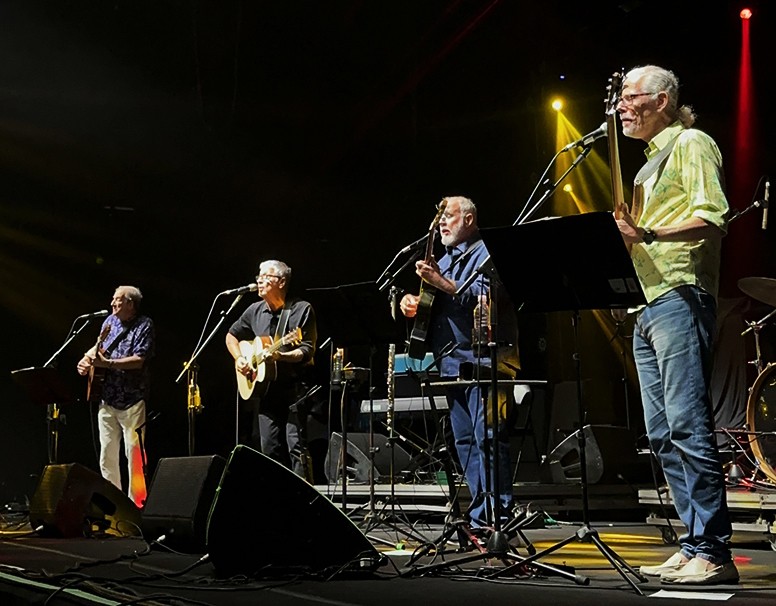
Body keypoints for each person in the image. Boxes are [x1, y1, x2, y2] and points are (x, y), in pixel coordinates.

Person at [613, 65, 737, 585]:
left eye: (628, 96)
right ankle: (692, 544)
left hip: (680, 296)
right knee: (662, 433)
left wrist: (647, 231)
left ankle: (714, 551)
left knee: (687, 424)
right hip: (645, 305)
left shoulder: (691, 143)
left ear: (661, 100)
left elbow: (712, 217)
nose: (620, 105)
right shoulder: (644, 169)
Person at [399, 196, 520, 530]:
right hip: (452, 362)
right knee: (465, 443)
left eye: (448, 216)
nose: (442, 224)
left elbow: (482, 298)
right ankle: (482, 516)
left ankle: (499, 517)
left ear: (468, 219)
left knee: (489, 438)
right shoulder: (445, 258)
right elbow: (435, 304)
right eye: (439, 218)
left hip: (485, 361)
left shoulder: (486, 252)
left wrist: (438, 282)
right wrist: (413, 302)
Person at [225, 259, 317, 480]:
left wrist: (280, 355)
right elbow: (231, 335)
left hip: (294, 391)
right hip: (267, 393)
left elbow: (306, 350)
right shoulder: (254, 310)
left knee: (296, 446)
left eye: (266, 276)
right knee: (268, 448)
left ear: (281, 281)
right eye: (259, 275)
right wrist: (239, 358)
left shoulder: (300, 309)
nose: (259, 280)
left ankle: (304, 500)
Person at [77, 285, 155, 509]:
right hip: (107, 397)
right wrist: (86, 359)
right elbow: (98, 348)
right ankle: (113, 507)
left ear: (130, 303)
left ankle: (136, 507)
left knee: (135, 456)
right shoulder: (108, 322)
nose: (112, 304)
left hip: (132, 398)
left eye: (117, 300)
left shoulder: (144, 325)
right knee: (107, 456)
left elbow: (139, 360)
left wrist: (107, 363)